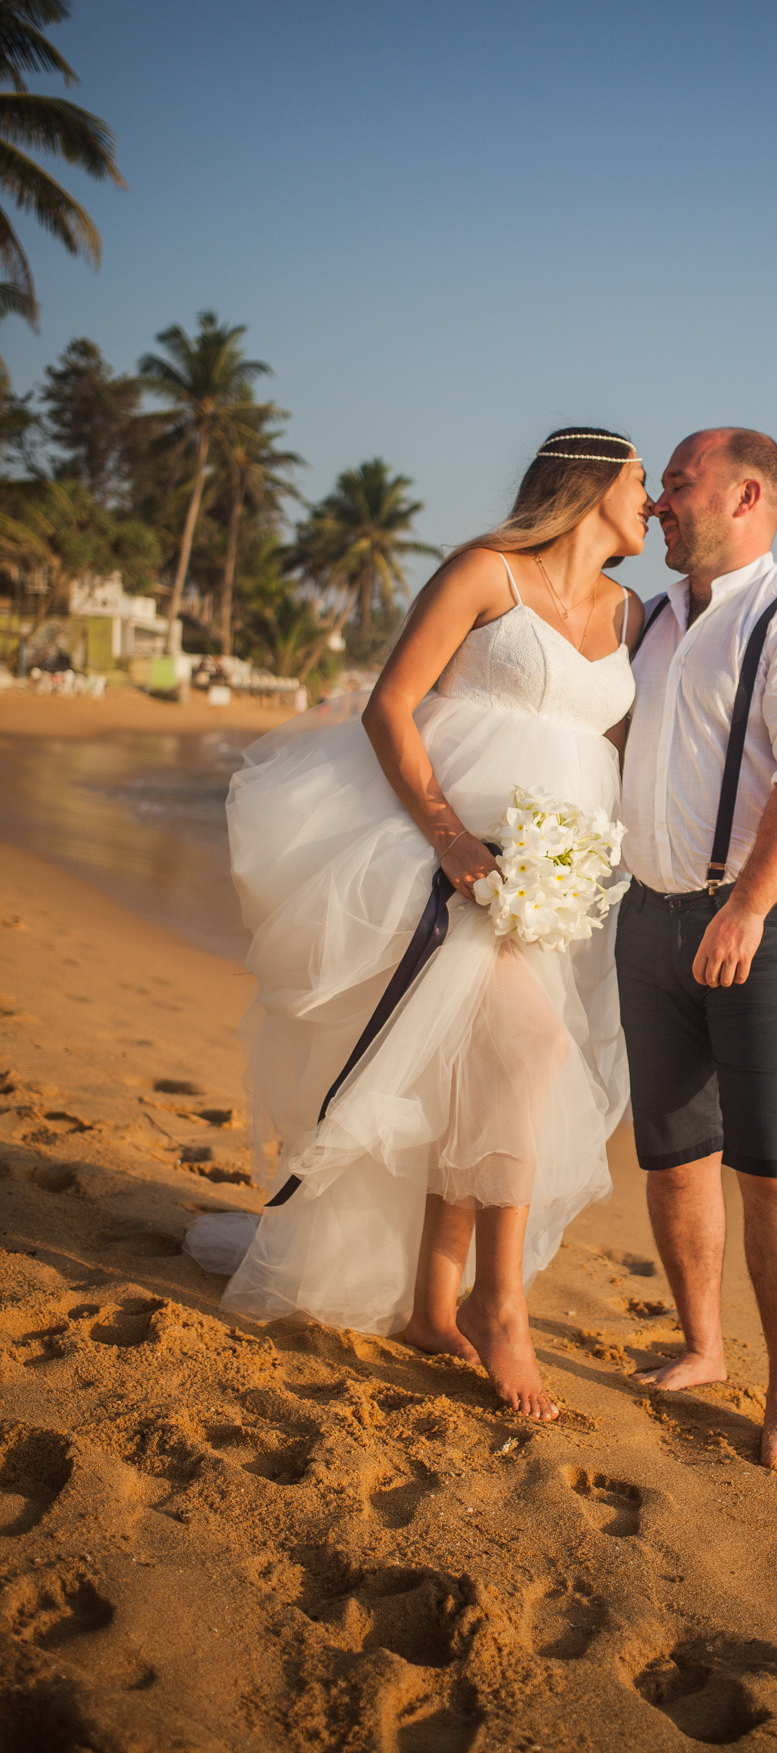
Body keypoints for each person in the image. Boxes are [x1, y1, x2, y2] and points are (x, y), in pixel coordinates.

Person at [185, 428, 649, 1420]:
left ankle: (437, 1304)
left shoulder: (632, 611)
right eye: (643, 482)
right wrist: (450, 840)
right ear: (596, 483)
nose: (651, 503)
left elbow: (614, 750)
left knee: (483, 1069)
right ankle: (501, 1307)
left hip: (552, 876)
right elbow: (390, 707)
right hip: (449, 858)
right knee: (530, 1054)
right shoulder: (485, 572)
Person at [615, 427, 777, 1472]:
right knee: (674, 1157)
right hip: (649, 916)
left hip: (762, 924)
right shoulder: (655, 620)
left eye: (679, 485)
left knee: (774, 1168)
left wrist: (748, 908)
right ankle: (704, 1348)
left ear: (748, 494)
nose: (659, 505)